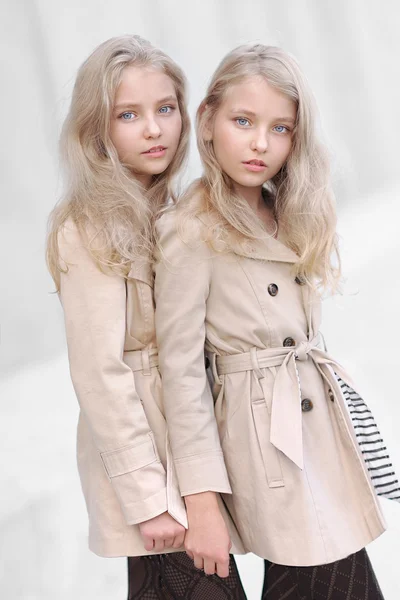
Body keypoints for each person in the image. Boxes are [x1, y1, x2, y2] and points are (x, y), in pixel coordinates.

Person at [154, 44, 387, 598]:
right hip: (263, 442)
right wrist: (202, 499)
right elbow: (181, 372)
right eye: (243, 121)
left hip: (312, 433)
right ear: (207, 121)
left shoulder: (288, 209)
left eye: (280, 128)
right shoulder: (192, 228)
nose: (261, 143)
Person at [46, 35, 246, 599]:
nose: (154, 129)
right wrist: (148, 498)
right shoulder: (87, 228)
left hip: (186, 460)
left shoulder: (173, 209)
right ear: (97, 129)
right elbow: (100, 375)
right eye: (129, 115)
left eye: (165, 109)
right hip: (152, 476)